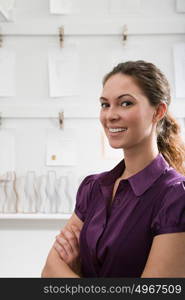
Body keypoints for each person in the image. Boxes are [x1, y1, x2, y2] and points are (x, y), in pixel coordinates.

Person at [41, 60, 185, 278]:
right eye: (104, 104)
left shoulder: (175, 197)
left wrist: (75, 269)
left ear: (158, 112)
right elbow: (49, 272)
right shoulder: (93, 188)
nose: (110, 115)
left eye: (125, 103)